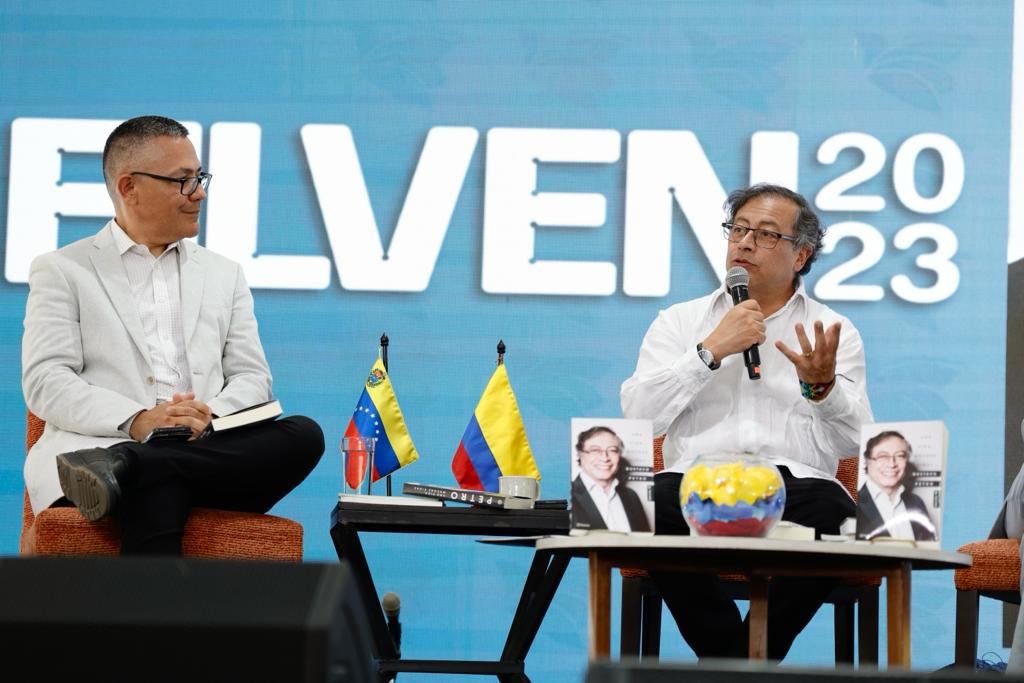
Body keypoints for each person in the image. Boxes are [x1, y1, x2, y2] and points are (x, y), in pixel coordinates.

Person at [22, 115, 325, 555]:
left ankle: (131, 467)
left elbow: (252, 380)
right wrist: (140, 421)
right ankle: (142, 465)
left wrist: (202, 419)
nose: (199, 193)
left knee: (304, 433)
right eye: (183, 181)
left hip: (203, 446)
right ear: (129, 187)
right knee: (161, 486)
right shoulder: (63, 270)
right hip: (102, 444)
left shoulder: (225, 274)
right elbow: (47, 382)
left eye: (200, 178)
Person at [621, 183, 873, 660]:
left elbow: (853, 442)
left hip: (795, 487)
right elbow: (639, 417)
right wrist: (708, 351)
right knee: (645, 508)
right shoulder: (680, 321)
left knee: (839, 518)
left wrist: (823, 387)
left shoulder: (831, 330)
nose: (744, 243)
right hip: (695, 482)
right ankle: (742, 664)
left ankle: (733, 664)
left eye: (765, 234)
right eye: (737, 229)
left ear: (801, 256)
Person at [856, 430, 936, 541]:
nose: (892, 464)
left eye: (900, 456)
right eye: (883, 456)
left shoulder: (917, 503)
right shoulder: (854, 502)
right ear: (867, 461)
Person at [571, 426, 651, 532]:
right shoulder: (568, 493)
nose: (605, 458)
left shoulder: (631, 496)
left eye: (612, 450)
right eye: (595, 450)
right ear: (580, 454)